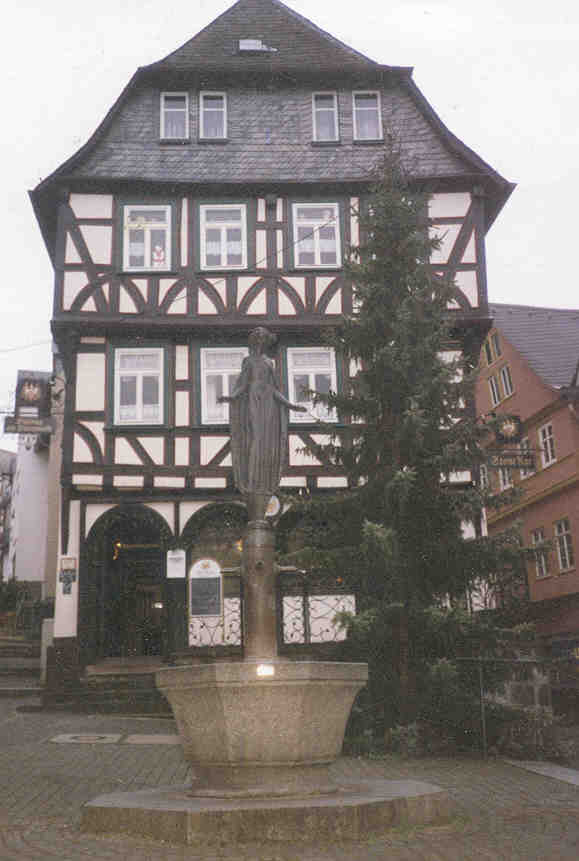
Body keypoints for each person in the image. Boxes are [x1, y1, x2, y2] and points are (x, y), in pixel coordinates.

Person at [219, 327, 306, 519]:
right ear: (253, 341)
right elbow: (242, 384)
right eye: (257, 338)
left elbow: (274, 389)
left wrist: (291, 405)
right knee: (255, 439)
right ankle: (251, 480)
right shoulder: (248, 361)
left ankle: (261, 479)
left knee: (265, 442)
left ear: (265, 342)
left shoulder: (269, 362)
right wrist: (230, 397)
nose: (259, 341)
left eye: (262, 338)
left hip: (267, 403)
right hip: (252, 399)